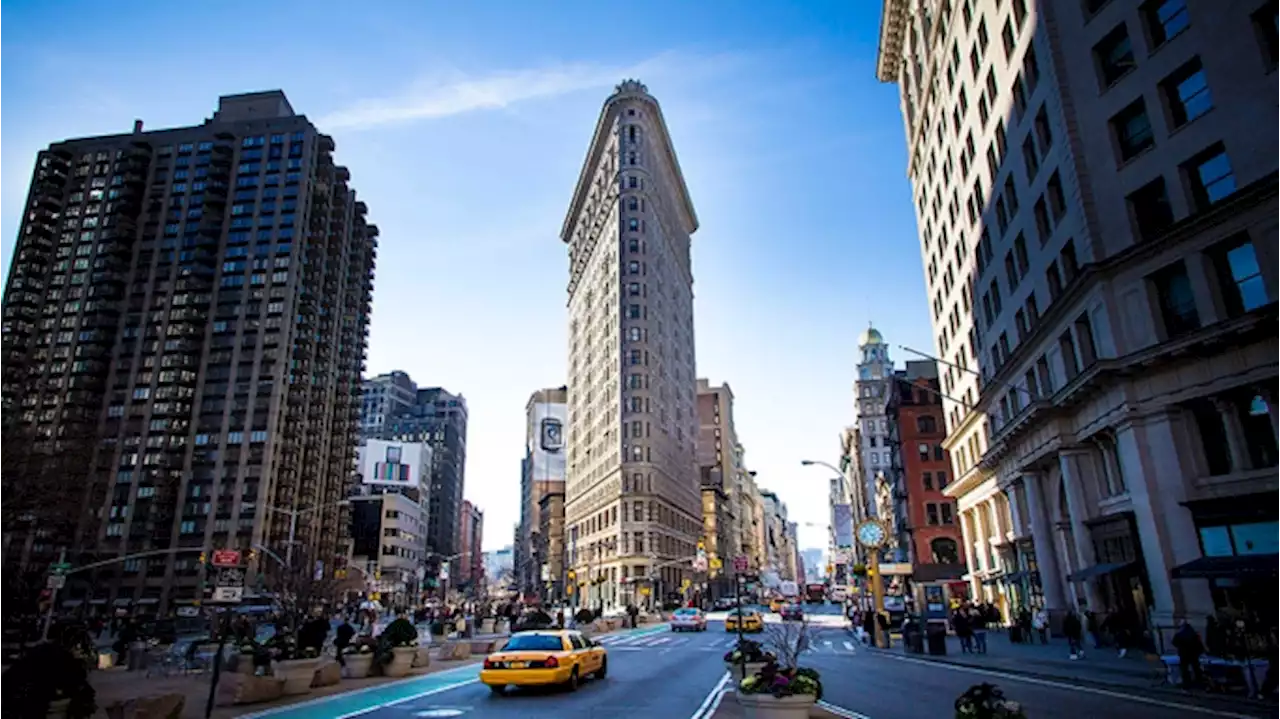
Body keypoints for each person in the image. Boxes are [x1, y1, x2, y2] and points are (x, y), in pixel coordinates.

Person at [1172, 620, 1206, 690]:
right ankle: (1199, 683)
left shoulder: (1179, 634)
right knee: (1196, 668)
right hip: (1194, 654)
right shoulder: (1193, 634)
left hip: (1183, 654)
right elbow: (1199, 645)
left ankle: (1187, 684)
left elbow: (1174, 642)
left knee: (1184, 669)